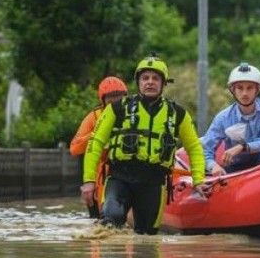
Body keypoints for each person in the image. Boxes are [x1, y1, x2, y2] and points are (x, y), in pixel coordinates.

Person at [82, 55, 206, 234]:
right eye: (145, 78)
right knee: (111, 221)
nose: (150, 82)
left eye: (155, 78)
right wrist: (89, 181)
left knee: (147, 237)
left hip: (154, 183)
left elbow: (194, 147)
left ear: (163, 84)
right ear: (138, 82)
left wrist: (198, 180)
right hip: (119, 178)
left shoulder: (178, 114)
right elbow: (96, 143)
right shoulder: (117, 109)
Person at [201, 62, 260, 176]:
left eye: (249, 88)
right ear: (233, 90)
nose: (244, 93)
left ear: (258, 90)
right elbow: (205, 149)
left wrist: (243, 147)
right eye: (240, 88)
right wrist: (213, 166)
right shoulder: (223, 117)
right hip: (234, 167)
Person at [70, 76, 128, 218]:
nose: (115, 102)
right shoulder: (94, 117)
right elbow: (75, 147)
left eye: (118, 97)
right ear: (103, 100)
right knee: (97, 220)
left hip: (124, 175)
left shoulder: (133, 114)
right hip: (99, 178)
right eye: (111, 98)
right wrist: (99, 132)